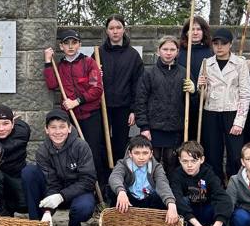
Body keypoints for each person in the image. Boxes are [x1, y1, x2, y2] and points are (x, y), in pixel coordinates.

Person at [43, 29, 108, 190]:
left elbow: (96, 89)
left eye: (74, 43)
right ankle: (77, 189)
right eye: (67, 43)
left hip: (90, 116)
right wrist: (47, 62)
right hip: (70, 119)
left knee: (92, 152)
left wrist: (77, 101)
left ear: (79, 44)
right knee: (71, 152)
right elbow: (52, 84)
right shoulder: (60, 67)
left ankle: (98, 191)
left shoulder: (89, 63)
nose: (71, 46)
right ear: (61, 46)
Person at [22, 109, 96, 226]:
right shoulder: (43, 151)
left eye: (62, 127)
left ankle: (74, 223)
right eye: (53, 127)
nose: (57, 132)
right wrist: (47, 211)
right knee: (29, 172)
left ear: (69, 128)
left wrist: (61, 196)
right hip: (53, 193)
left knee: (84, 207)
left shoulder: (81, 146)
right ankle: (38, 223)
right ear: (46, 130)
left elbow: (88, 181)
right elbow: (51, 182)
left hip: (76, 193)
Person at [134, 36, 195, 172]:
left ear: (177, 52)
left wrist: (194, 91)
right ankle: (151, 190)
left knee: (171, 161)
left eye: (172, 49)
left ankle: (170, 191)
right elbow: (140, 101)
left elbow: (193, 104)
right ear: (158, 51)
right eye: (165, 49)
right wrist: (144, 127)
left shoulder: (185, 73)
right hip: (153, 128)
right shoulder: (149, 73)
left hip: (175, 128)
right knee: (151, 162)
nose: (168, 52)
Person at [198, 28, 250, 181]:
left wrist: (239, 122)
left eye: (223, 43)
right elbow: (203, 96)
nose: (219, 47)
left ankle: (236, 186)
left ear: (230, 44)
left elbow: (245, 95)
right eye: (216, 43)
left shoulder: (240, 64)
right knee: (213, 153)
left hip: (232, 112)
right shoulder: (207, 63)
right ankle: (216, 186)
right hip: (211, 112)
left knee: (235, 154)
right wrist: (201, 87)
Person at [169, 141, 233, 226]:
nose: (189, 165)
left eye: (194, 161)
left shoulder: (209, 174)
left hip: (205, 211)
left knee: (221, 202)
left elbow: (224, 199)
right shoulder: (177, 175)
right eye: (185, 161)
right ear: (179, 160)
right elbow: (177, 199)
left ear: (201, 160)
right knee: (178, 201)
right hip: (188, 216)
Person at [99, 14, 144, 166]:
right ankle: (104, 179)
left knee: (121, 144)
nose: (115, 31)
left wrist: (133, 110)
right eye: (111, 28)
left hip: (123, 108)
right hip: (102, 107)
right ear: (106, 31)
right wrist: (96, 75)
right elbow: (90, 81)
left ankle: (119, 179)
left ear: (124, 30)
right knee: (102, 143)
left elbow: (138, 85)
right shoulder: (98, 54)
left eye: (118, 28)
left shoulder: (133, 55)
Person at [108, 135, 178, 224]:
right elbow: (115, 177)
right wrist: (121, 191)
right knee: (113, 190)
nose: (141, 157)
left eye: (145, 153)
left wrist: (171, 203)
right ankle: (118, 221)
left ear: (151, 154)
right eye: (137, 153)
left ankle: (155, 224)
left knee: (161, 196)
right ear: (130, 154)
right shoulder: (123, 164)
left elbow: (162, 183)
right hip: (128, 201)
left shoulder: (156, 167)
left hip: (148, 201)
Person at [177, 15, 213, 140]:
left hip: (204, 103)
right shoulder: (179, 52)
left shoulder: (210, 53)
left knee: (202, 138)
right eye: (192, 29)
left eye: (199, 29)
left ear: (204, 32)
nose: (195, 32)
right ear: (186, 32)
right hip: (182, 102)